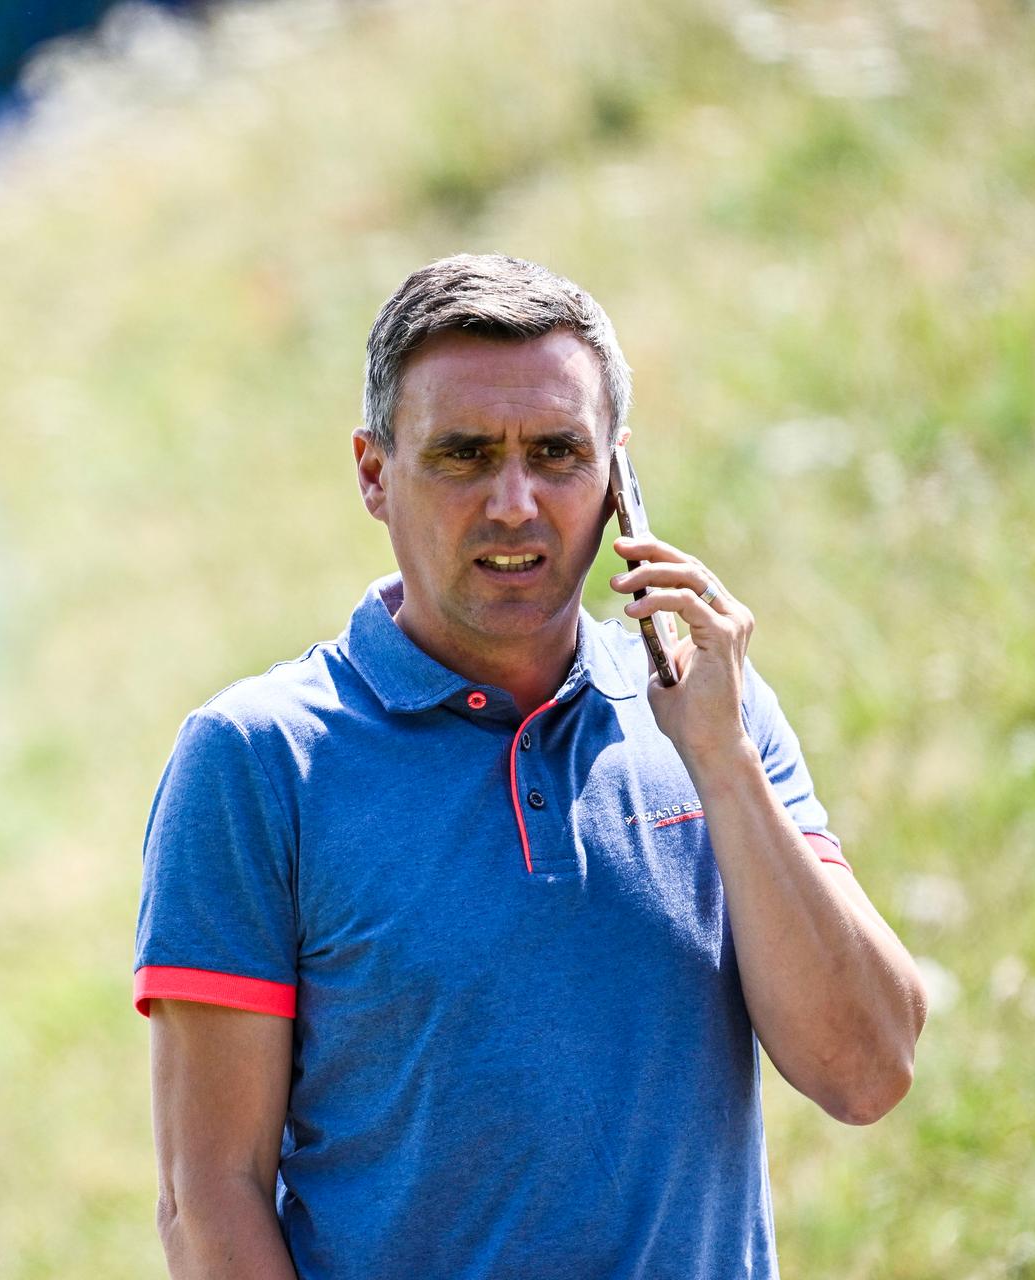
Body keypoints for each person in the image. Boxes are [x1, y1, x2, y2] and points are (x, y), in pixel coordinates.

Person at [132, 253, 929, 1278]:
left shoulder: (717, 713)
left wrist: (722, 760)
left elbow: (866, 1071)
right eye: (464, 454)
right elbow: (209, 1198)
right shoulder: (257, 760)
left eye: (558, 452)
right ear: (374, 473)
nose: (515, 502)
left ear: (619, 480)